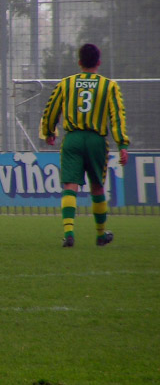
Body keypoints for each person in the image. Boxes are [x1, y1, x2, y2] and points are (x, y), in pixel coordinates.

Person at [41, 43, 129, 248]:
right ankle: (100, 235)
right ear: (99, 62)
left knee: (70, 185)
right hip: (96, 140)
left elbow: (51, 108)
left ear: (79, 62)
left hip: (72, 138)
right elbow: (118, 115)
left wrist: (49, 131)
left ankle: (69, 232)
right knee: (97, 187)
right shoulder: (109, 85)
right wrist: (122, 144)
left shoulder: (66, 83)